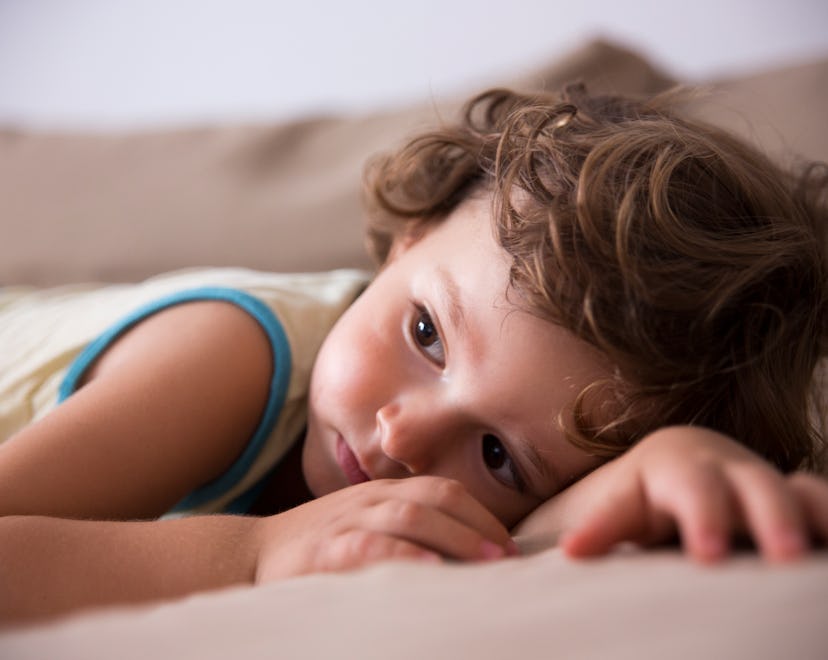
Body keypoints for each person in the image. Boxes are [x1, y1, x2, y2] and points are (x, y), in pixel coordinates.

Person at [1, 85, 827, 623]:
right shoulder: (229, 357)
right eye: (426, 334)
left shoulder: (443, 465)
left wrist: (665, 463)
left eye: (498, 455)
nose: (402, 437)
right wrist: (252, 555)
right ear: (408, 239)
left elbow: (519, 539)